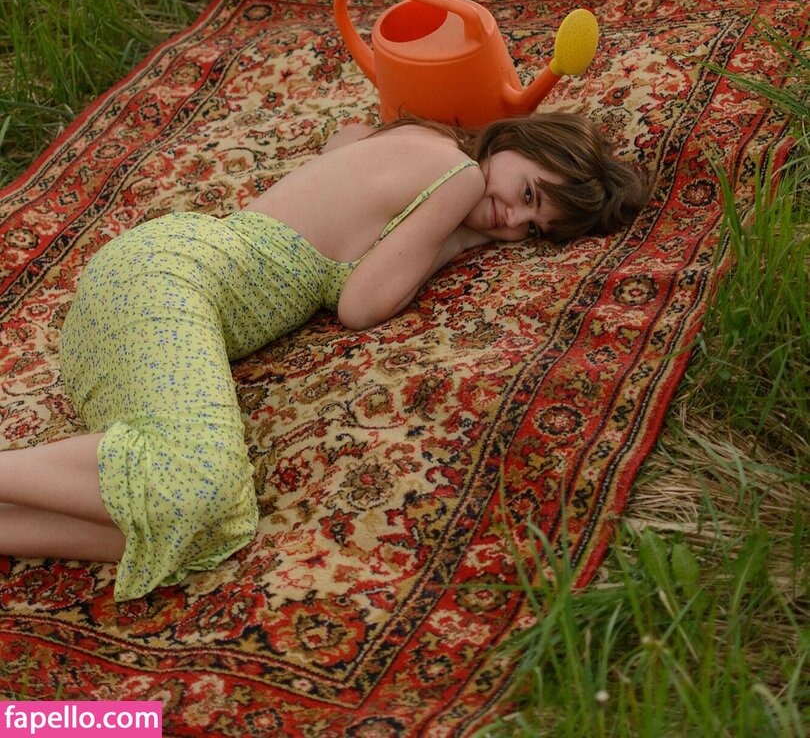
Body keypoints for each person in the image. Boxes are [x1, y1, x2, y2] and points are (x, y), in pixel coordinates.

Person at [0, 112, 650, 601]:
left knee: (212, 529)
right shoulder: (460, 176)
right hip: (169, 282)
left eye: (531, 229)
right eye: (528, 193)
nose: (509, 220)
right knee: (199, 482)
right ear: (515, 141)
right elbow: (363, 305)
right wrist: (460, 240)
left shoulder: (415, 140)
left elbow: (345, 138)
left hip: (125, 305)